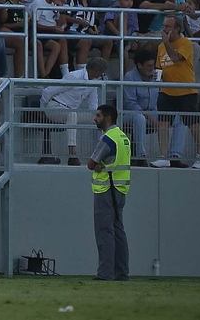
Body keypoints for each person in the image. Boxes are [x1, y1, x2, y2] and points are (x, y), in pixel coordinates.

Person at [87, 102, 131, 281]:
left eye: (98, 116)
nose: (95, 119)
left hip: (106, 188)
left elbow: (91, 164)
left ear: (107, 118)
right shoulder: (123, 137)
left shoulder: (108, 138)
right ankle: (121, 272)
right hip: (120, 189)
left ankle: (105, 273)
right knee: (118, 231)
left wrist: (98, 166)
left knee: (104, 232)